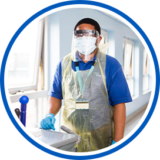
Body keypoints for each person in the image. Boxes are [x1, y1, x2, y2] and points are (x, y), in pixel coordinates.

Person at [40, 18, 132, 152]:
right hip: (68, 136)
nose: (84, 38)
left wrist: (118, 141)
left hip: (101, 136)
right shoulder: (64, 64)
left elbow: (119, 104)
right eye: (79, 34)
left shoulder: (111, 65)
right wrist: (50, 114)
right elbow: (55, 95)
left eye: (89, 34)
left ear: (99, 39)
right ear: (74, 37)